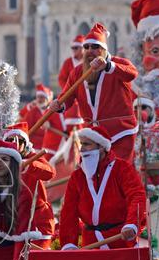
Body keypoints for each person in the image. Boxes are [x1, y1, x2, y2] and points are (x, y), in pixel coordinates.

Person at [51, 23, 138, 162]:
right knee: (88, 174)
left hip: (120, 133)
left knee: (117, 173)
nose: (90, 50)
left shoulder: (117, 63)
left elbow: (132, 74)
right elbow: (67, 96)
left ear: (104, 50)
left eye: (95, 47)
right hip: (92, 134)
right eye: (86, 47)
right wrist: (59, 105)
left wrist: (108, 66)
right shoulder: (77, 71)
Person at [58, 125, 147, 251]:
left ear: (101, 147)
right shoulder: (77, 176)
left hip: (120, 241)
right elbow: (68, 212)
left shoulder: (122, 169)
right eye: (81, 144)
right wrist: (68, 244)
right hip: (90, 243)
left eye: (87, 144)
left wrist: (132, 225)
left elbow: (137, 196)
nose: (82, 149)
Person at [19, 85, 65, 155]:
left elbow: (62, 128)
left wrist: (50, 127)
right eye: (38, 97)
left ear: (47, 99)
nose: (40, 100)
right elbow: (24, 128)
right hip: (35, 146)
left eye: (42, 97)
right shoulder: (33, 112)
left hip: (52, 146)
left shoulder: (54, 111)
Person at [57, 34, 86, 132]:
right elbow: (61, 79)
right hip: (71, 95)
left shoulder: (87, 62)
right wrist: (68, 90)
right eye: (72, 48)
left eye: (76, 48)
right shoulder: (68, 62)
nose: (73, 50)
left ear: (82, 48)